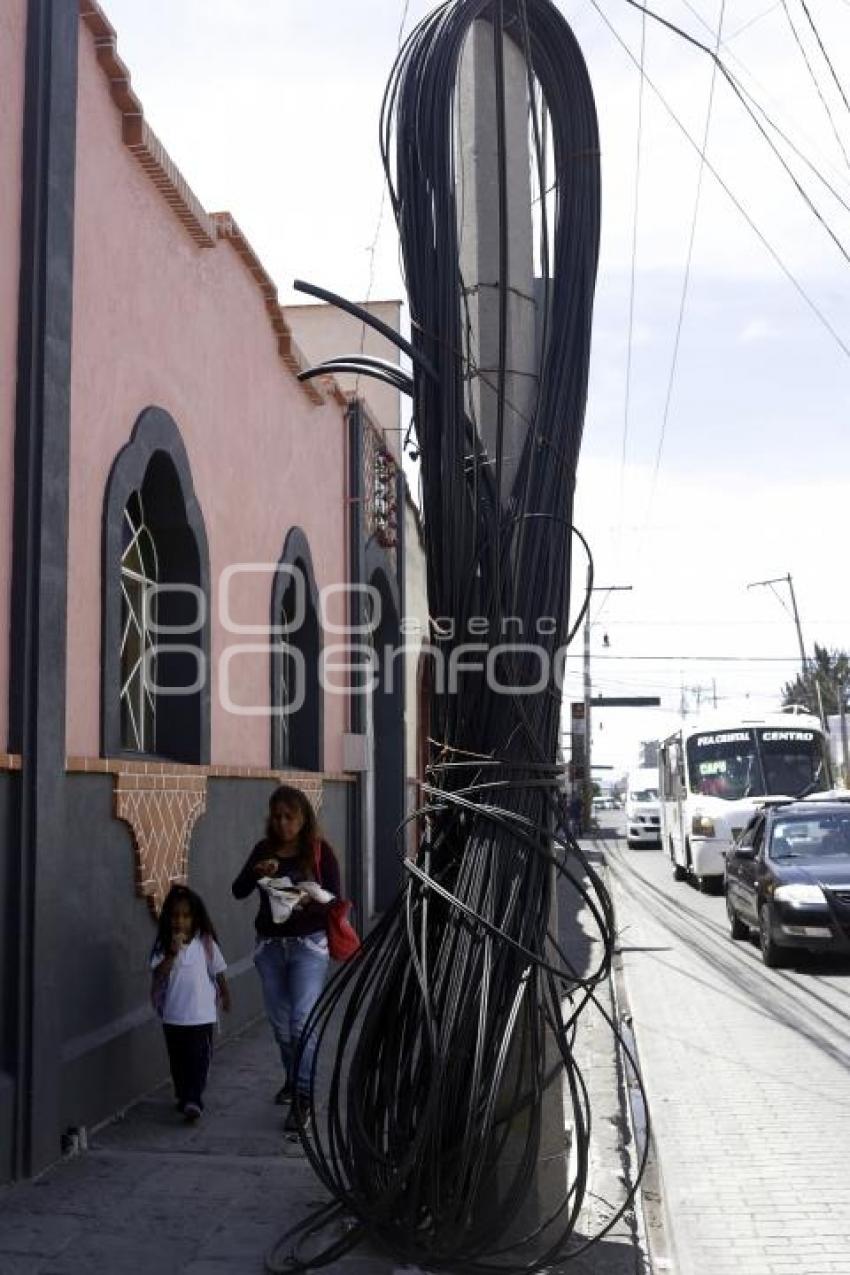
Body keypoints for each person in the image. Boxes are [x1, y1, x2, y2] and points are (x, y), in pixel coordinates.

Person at [231, 784, 341, 1134]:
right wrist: (255, 872)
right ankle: (293, 1079)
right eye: (276, 817)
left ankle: (303, 1099)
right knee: (281, 1027)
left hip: (308, 946)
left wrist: (309, 899)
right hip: (271, 948)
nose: (282, 824)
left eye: (289, 817)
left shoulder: (319, 852)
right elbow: (238, 891)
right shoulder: (264, 850)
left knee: (301, 1022)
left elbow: (337, 899)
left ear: (303, 817)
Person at [150, 884, 230, 1123]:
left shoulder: (205, 943)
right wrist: (172, 953)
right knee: (178, 1061)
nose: (180, 921)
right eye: (175, 916)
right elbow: (159, 974)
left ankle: (194, 1098)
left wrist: (226, 994)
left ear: (195, 919)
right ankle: (184, 1095)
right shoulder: (163, 946)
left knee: (199, 1059)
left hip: (201, 1016)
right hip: (173, 1016)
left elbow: (219, 971)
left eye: (185, 916)